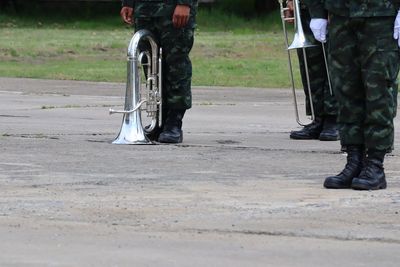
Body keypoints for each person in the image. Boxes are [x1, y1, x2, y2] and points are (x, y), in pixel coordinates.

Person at [305, 0, 400, 190]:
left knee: (378, 90)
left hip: (381, 16)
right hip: (341, 15)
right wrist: (317, 12)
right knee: (346, 90)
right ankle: (353, 161)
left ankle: (374, 164)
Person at [120, 0, 197, 143]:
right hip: (144, 10)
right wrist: (128, 3)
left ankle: (173, 122)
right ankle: (159, 121)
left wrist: (185, 3)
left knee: (176, 64)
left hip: (173, 8)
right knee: (149, 63)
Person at [285, 0, 339, 141]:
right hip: (305, 7)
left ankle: (334, 118)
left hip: (332, 8)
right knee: (310, 64)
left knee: (333, 63)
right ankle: (317, 117)